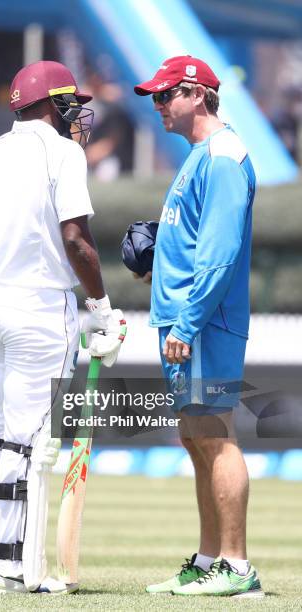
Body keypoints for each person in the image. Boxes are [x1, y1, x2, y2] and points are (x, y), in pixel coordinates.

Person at [0, 60, 124, 595]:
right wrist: (102, 308)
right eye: (71, 102)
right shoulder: (63, 152)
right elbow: (76, 238)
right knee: (30, 445)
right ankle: (14, 568)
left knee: (2, 437)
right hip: (38, 310)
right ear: (52, 103)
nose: (78, 112)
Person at [133, 55, 263, 598]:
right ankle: (211, 559)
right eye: (156, 98)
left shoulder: (224, 156)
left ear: (197, 94)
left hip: (202, 324)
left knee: (216, 435)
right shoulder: (199, 156)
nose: (158, 106)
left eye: (166, 96)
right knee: (196, 438)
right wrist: (156, 263)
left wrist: (186, 321)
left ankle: (236, 566)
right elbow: (193, 245)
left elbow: (220, 252)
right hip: (183, 321)